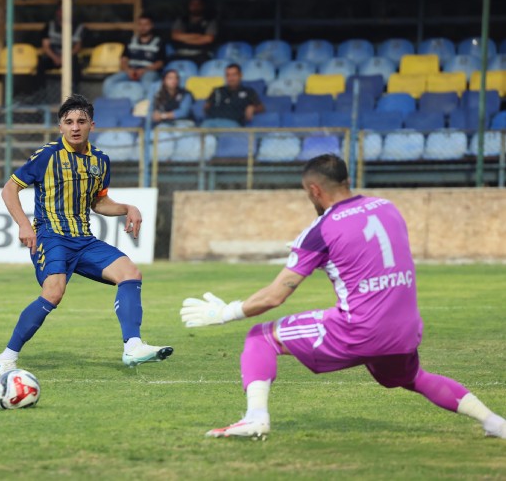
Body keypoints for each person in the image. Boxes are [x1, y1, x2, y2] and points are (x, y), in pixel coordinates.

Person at [179, 154, 506, 440]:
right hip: (405, 330)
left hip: (358, 329)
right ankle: (494, 422)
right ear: (348, 180)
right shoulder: (388, 208)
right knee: (414, 378)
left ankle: (255, 419)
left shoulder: (320, 229)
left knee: (260, 337)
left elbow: (276, 296)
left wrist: (226, 312)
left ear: (314, 190)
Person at [0, 94, 173, 375]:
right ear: (60, 127)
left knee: (130, 273)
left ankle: (133, 346)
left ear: (92, 125)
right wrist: (24, 225)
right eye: (69, 122)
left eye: (81, 121)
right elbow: (9, 189)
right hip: (51, 237)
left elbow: (99, 203)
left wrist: (127, 207)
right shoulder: (47, 156)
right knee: (53, 293)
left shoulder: (100, 161)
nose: (75, 127)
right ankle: (6, 356)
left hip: (84, 240)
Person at [102, 13, 166, 96]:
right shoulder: (131, 40)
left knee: (147, 84)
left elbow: (160, 63)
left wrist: (144, 70)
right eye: (140, 24)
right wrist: (128, 70)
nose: (143, 27)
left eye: (146, 24)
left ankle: (144, 107)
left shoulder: (159, 42)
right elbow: (124, 59)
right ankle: (110, 106)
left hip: (148, 72)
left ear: (151, 26)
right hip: (130, 71)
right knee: (108, 82)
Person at [203, 63, 264, 127]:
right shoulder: (217, 90)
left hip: (233, 124)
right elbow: (207, 107)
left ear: (240, 75)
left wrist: (253, 108)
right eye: (228, 75)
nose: (231, 78)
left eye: (234, 75)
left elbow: (261, 108)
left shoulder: (248, 92)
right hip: (211, 123)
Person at [36, 7, 85, 88]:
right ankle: (40, 91)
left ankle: (75, 91)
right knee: (41, 64)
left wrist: (65, 58)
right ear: (57, 12)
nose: (63, 13)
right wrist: (55, 58)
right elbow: (45, 46)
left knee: (75, 65)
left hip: (70, 57)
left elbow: (78, 47)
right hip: (53, 57)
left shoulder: (79, 26)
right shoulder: (49, 26)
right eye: (61, 10)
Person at [170, 0, 217, 65]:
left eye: (198, 4)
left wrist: (184, 39)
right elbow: (175, 36)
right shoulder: (182, 20)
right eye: (193, 4)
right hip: (181, 53)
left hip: (202, 54)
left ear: (203, 6)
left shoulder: (210, 20)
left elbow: (209, 39)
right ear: (188, 6)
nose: (195, 6)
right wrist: (197, 36)